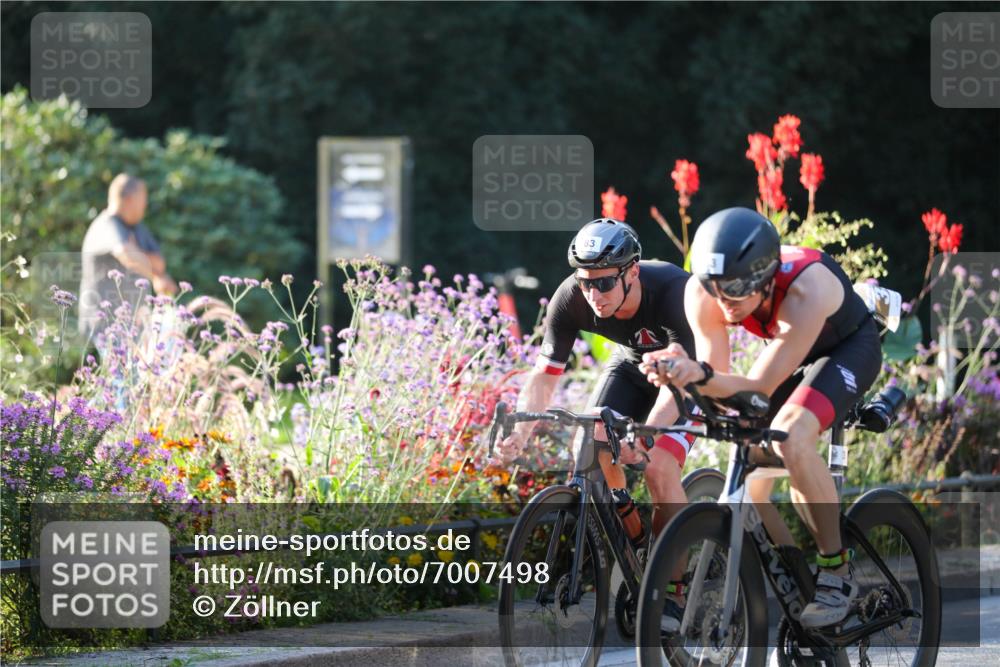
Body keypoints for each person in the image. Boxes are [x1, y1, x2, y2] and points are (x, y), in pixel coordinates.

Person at [641, 207, 882, 628]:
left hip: (847, 349)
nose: (724, 303)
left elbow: (757, 388)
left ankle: (837, 570)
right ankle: (797, 584)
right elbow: (716, 376)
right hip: (791, 355)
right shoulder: (705, 291)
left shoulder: (807, 288)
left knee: (790, 436)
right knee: (750, 473)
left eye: (735, 292)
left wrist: (700, 375)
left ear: (767, 279)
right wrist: (681, 372)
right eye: (715, 289)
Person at [494, 218, 699, 619]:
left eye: (604, 283)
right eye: (585, 282)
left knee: (658, 467)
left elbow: (680, 382)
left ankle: (674, 593)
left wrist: (644, 437)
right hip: (633, 367)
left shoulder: (674, 293)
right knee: (586, 443)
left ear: (632, 272)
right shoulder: (571, 297)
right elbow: (544, 375)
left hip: (686, 376)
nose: (593, 294)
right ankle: (630, 527)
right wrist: (520, 433)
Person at [79, 173, 178, 338]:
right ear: (129, 199)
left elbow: (160, 264)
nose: (145, 205)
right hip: (102, 328)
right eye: (143, 199)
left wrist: (136, 250)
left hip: (130, 330)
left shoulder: (138, 229)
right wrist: (153, 273)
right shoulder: (106, 225)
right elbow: (128, 256)